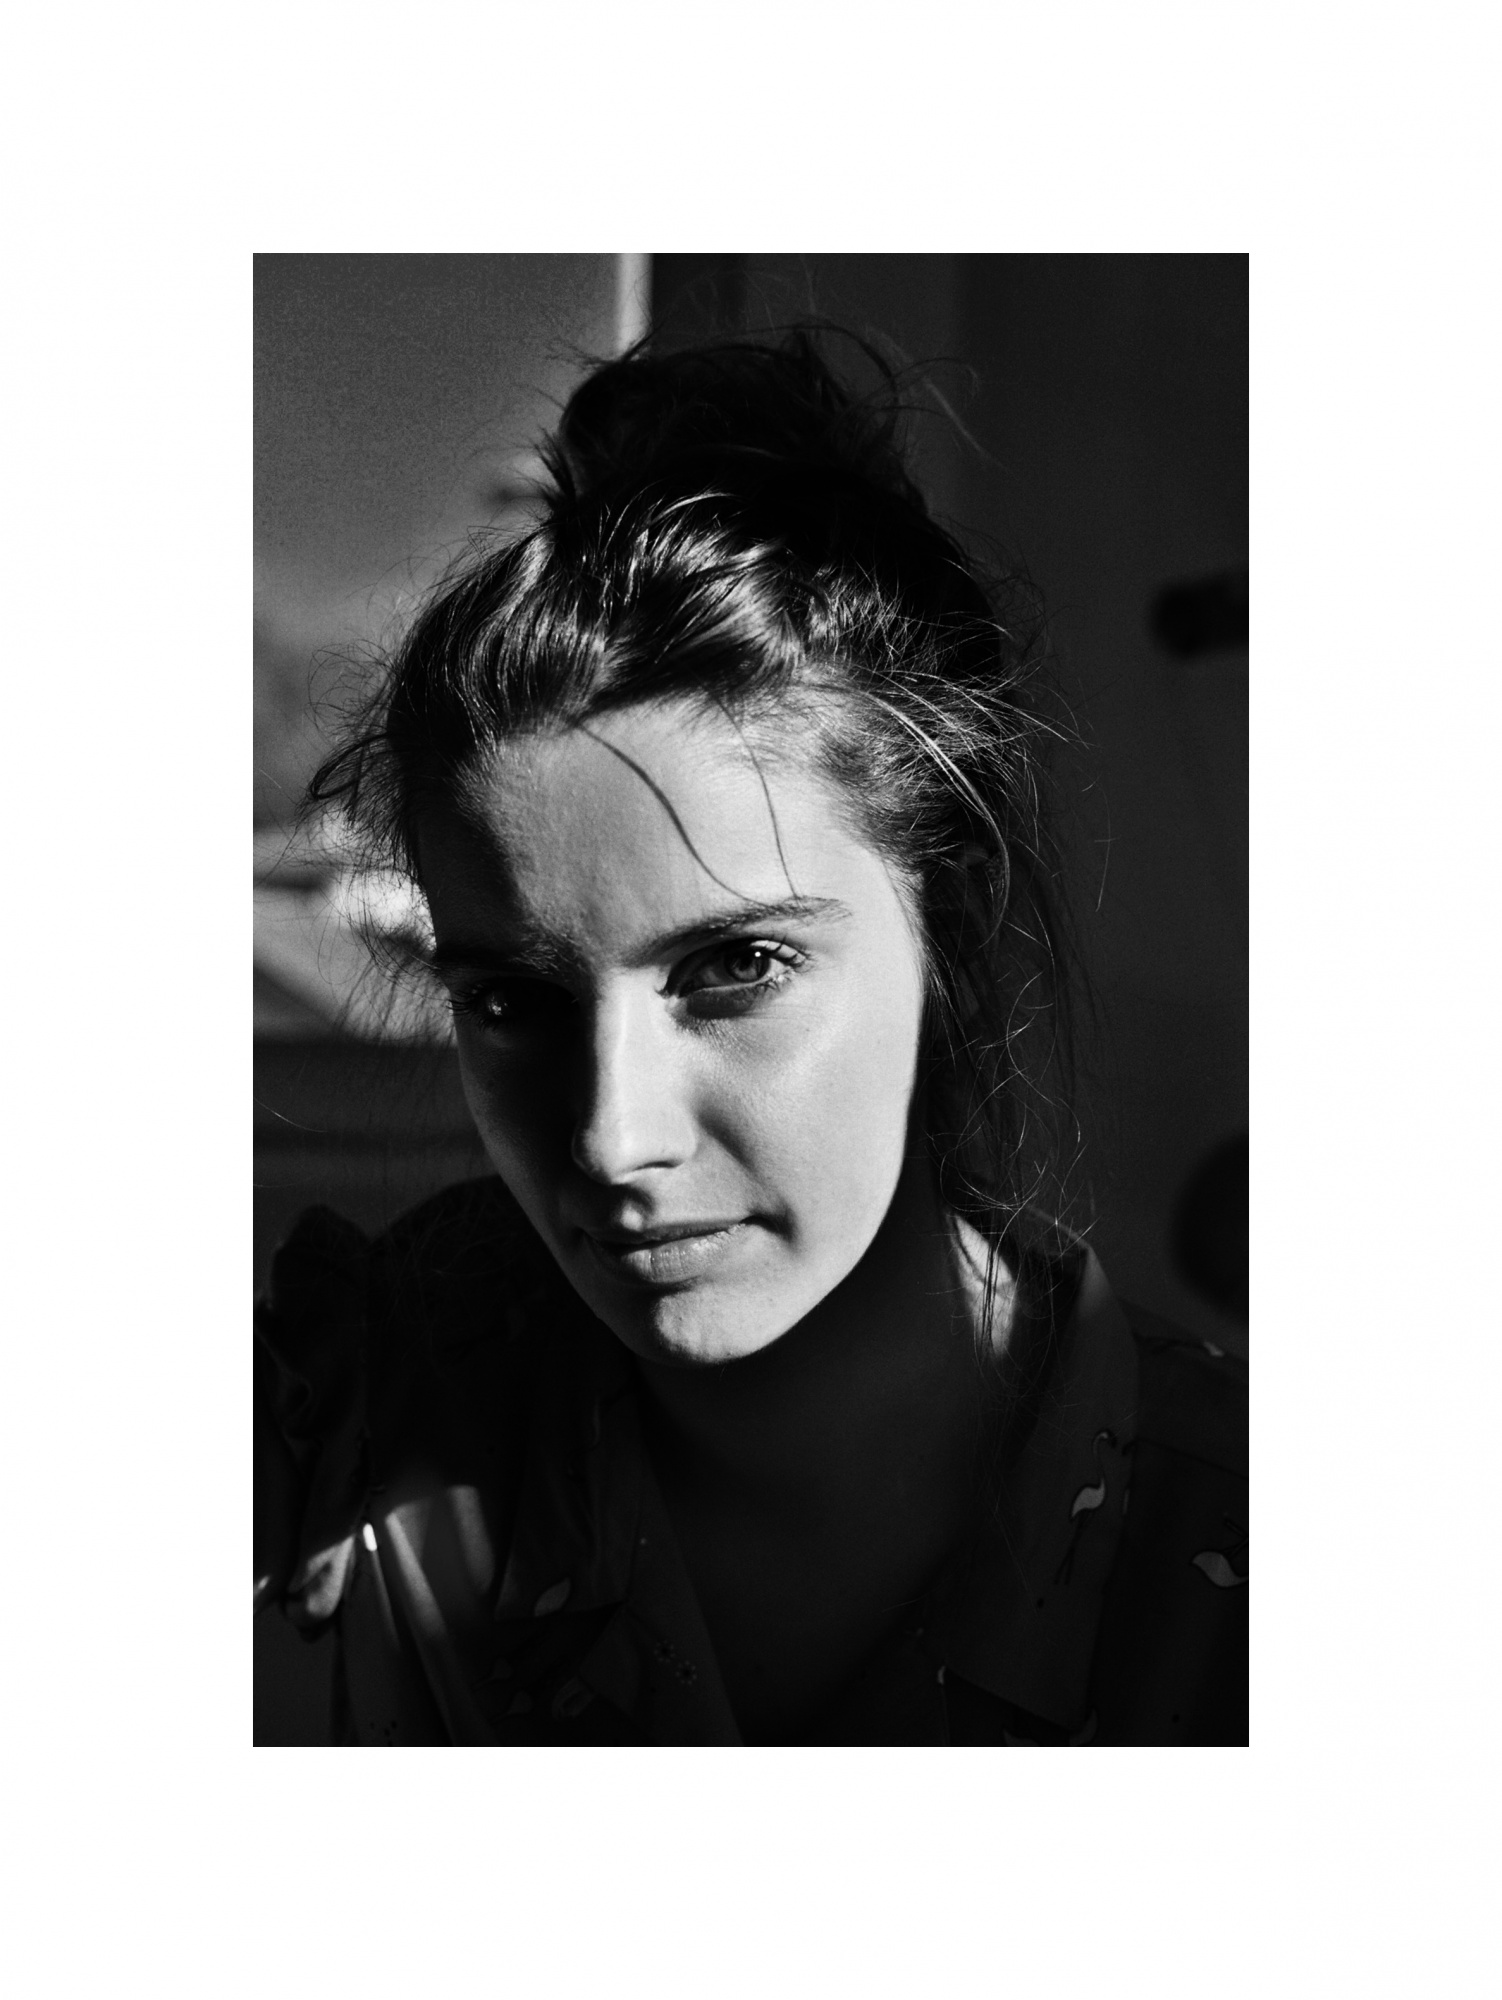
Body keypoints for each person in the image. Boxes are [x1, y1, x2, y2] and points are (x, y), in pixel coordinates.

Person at [254, 330, 1248, 1746]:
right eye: (510, 1002)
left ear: (951, 922)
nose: (612, 1139)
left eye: (735, 968)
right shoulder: (354, 1419)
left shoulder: (1243, 1577)